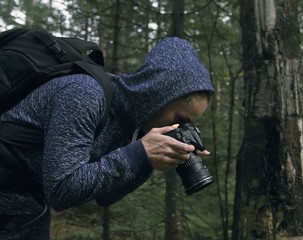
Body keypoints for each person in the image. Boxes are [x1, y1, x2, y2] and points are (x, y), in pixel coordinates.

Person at [0, 36, 214, 239]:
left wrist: (148, 160)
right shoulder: (84, 94)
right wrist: (139, 154)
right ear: (160, 95)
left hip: (26, 212)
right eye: (180, 119)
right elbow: (62, 190)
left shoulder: (130, 125)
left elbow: (105, 197)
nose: (179, 128)